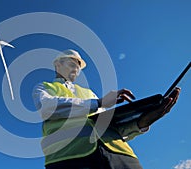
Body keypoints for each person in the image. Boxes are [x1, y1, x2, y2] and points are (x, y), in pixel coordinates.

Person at [32, 49, 180, 169]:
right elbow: (47, 108)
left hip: (120, 154)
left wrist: (141, 123)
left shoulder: (89, 93)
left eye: (78, 67)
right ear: (58, 65)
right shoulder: (45, 88)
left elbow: (107, 127)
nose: (76, 69)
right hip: (70, 157)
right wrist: (99, 103)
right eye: (72, 64)